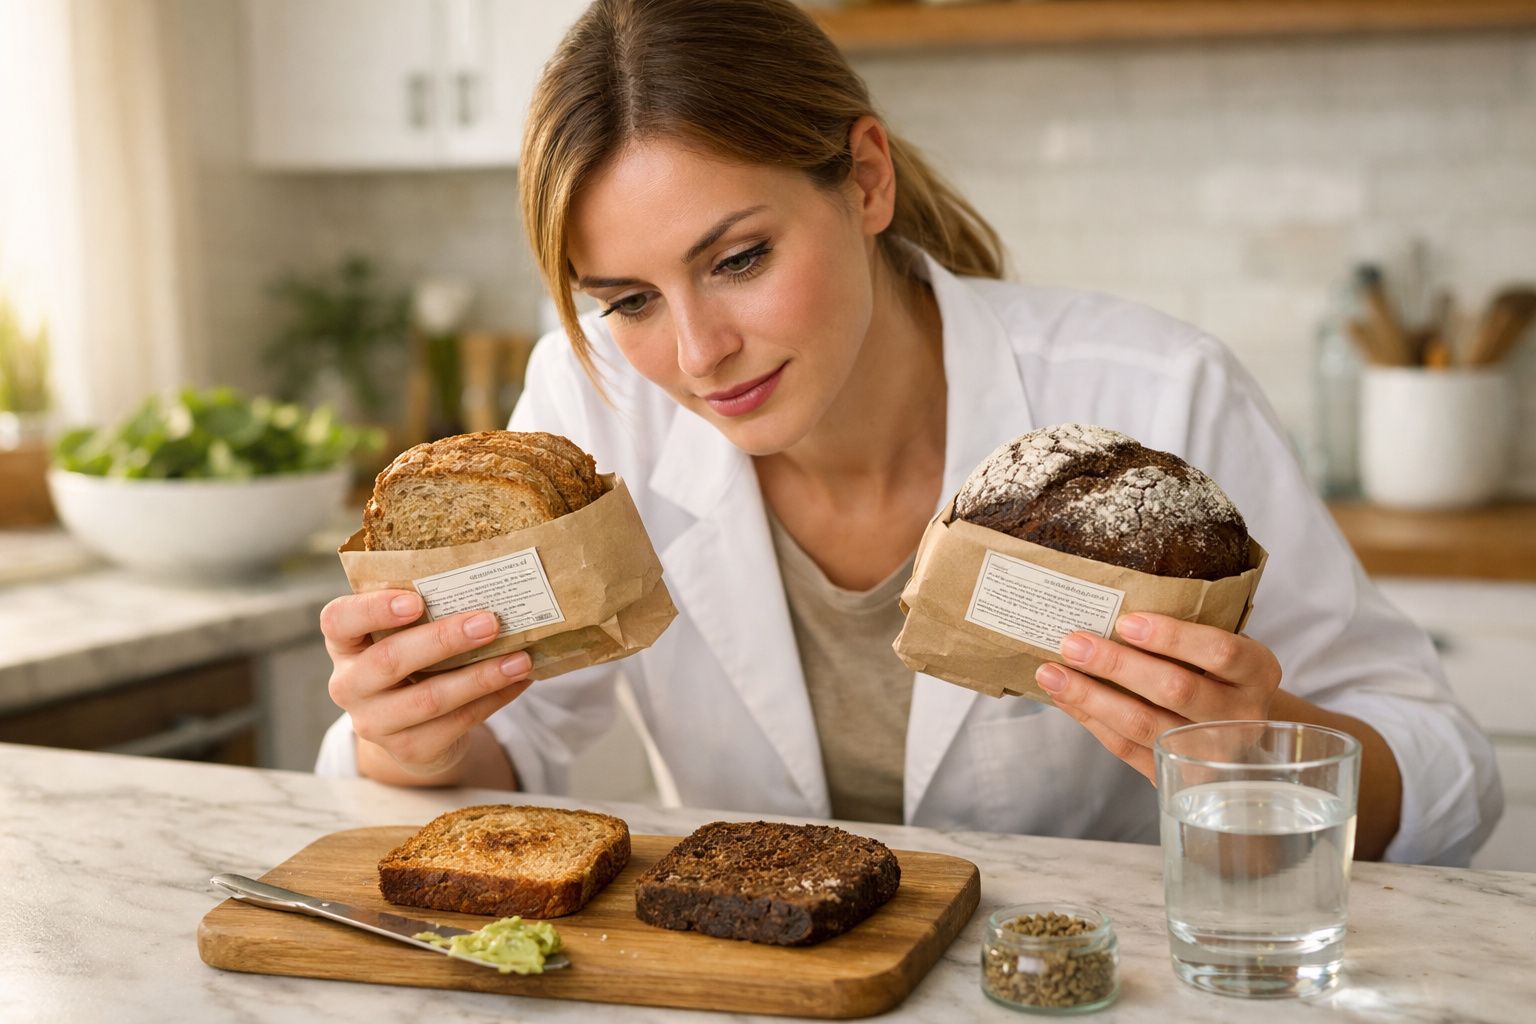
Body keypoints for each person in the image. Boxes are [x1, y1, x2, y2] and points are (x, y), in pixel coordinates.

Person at [315, 0, 1500, 866]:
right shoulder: (589, 412)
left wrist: (1269, 752)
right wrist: (412, 745)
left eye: (740, 259)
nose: (697, 352)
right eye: (628, 300)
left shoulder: (1158, 393)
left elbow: (1451, 774)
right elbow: (508, 748)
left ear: (866, 180)